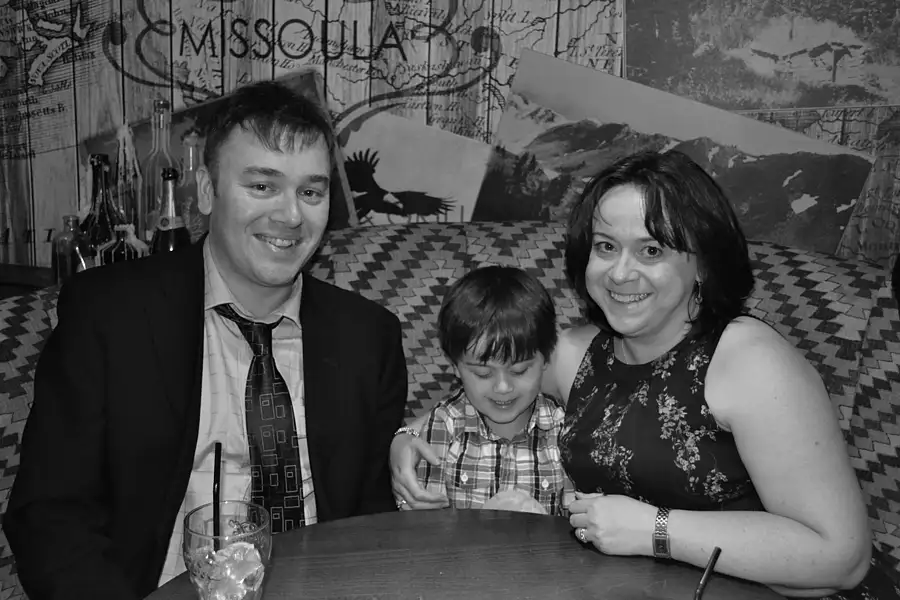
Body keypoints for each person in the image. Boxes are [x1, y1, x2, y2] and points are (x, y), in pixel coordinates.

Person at [390, 150, 873, 596]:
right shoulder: (575, 353)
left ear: (702, 263)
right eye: (606, 246)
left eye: (651, 251)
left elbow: (842, 558)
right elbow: (492, 384)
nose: (620, 274)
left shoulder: (751, 362)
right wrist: (407, 439)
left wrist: (654, 530)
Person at [6, 80, 408, 600]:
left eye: (310, 192)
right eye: (262, 186)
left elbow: (374, 520)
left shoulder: (369, 337)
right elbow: (49, 515)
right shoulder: (109, 316)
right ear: (205, 189)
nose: (290, 216)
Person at [410, 265, 572, 516]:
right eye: (483, 374)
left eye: (519, 371)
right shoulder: (444, 425)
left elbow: (576, 520)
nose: (503, 387)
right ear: (455, 366)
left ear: (546, 360)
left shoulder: (564, 429)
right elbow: (427, 521)